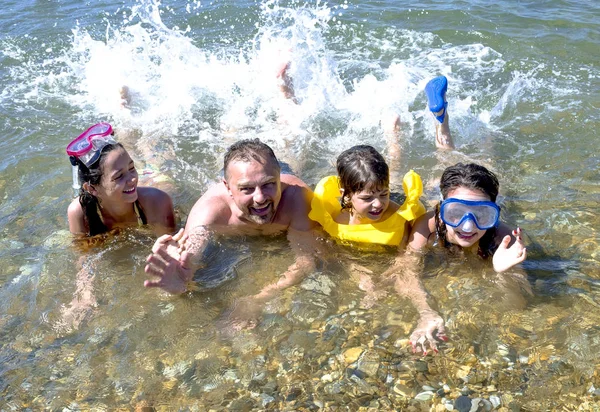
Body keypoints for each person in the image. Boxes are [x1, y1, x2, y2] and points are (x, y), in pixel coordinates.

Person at [143, 138, 318, 324]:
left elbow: (307, 261)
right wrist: (178, 278)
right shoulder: (210, 211)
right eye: (246, 189)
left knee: (294, 155)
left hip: (284, 172)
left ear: (278, 178)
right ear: (227, 187)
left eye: (268, 184)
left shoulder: (297, 199)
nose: (260, 198)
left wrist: (258, 300)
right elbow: (191, 254)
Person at [401, 162, 527, 354]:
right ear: (442, 209)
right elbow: (405, 272)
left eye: (482, 214)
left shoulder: (504, 238)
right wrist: (426, 312)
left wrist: (504, 274)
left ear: (493, 212)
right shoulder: (428, 227)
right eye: (456, 212)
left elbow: (518, 305)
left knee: (491, 164)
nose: (468, 226)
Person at [309, 144, 426, 306]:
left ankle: (395, 141)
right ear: (346, 195)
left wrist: (389, 277)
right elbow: (336, 253)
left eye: (384, 194)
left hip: (391, 195)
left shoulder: (398, 217)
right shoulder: (337, 220)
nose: (378, 204)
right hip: (365, 190)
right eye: (367, 198)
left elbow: (404, 257)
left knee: (399, 173)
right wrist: (359, 274)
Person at [66, 122, 175, 236]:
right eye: (118, 176)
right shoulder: (80, 212)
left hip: (154, 179)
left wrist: (125, 173)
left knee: (150, 155)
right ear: (92, 188)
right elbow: (83, 252)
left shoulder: (157, 201)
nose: (132, 179)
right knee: (127, 162)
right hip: (131, 185)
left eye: (132, 167)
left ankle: (129, 120)